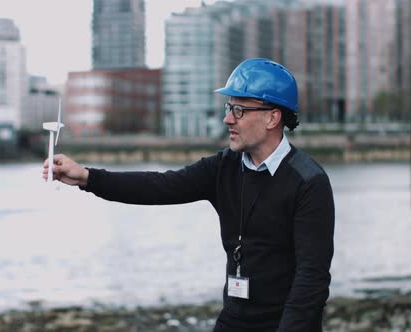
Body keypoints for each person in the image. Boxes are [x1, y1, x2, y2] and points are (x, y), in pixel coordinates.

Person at [43, 58, 335, 331]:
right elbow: (158, 186)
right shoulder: (223, 168)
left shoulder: (308, 182)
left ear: (273, 117)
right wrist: (88, 178)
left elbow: (312, 279)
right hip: (233, 319)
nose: (228, 120)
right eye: (228, 108)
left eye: (240, 110)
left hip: (285, 324)